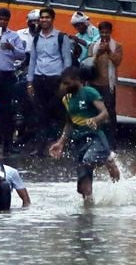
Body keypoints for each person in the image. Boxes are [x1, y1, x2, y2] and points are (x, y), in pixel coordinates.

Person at [49, 67, 120, 203]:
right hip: (79, 141)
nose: (64, 87)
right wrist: (61, 142)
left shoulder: (89, 92)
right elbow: (69, 123)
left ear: (77, 81)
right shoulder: (67, 99)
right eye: (63, 83)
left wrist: (95, 119)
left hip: (95, 137)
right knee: (83, 183)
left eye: (67, 83)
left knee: (88, 160)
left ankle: (108, 161)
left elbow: (105, 113)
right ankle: (88, 206)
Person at [27, 7, 72, 154]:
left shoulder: (61, 37)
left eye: (47, 17)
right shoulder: (36, 38)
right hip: (40, 79)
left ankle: (59, 146)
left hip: (56, 80)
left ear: (52, 19)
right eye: (42, 17)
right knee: (40, 115)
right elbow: (33, 60)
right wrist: (30, 82)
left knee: (58, 114)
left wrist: (66, 82)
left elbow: (67, 61)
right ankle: (40, 148)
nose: (44, 20)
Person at [0, 8, 26, 155]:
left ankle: (8, 145)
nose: (2, 21)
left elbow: (22, 55)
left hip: (7, 75)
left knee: (7, 111)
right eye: (0, 19)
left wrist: (12, 48)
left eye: (5, 19)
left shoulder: (14, 36)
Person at [88, 21, 123, 150]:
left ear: (110, 32)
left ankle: (112, 143)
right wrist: (98, 54)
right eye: (102, 32)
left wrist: (108, 51)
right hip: (94, 85)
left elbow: (118, 61)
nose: (104, 34)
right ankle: (95, 140)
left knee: (110, 114)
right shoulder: (93, 46)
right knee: (94, 112)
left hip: (108, 85)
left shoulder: (117, 46)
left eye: (106, 32)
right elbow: (89, 64)